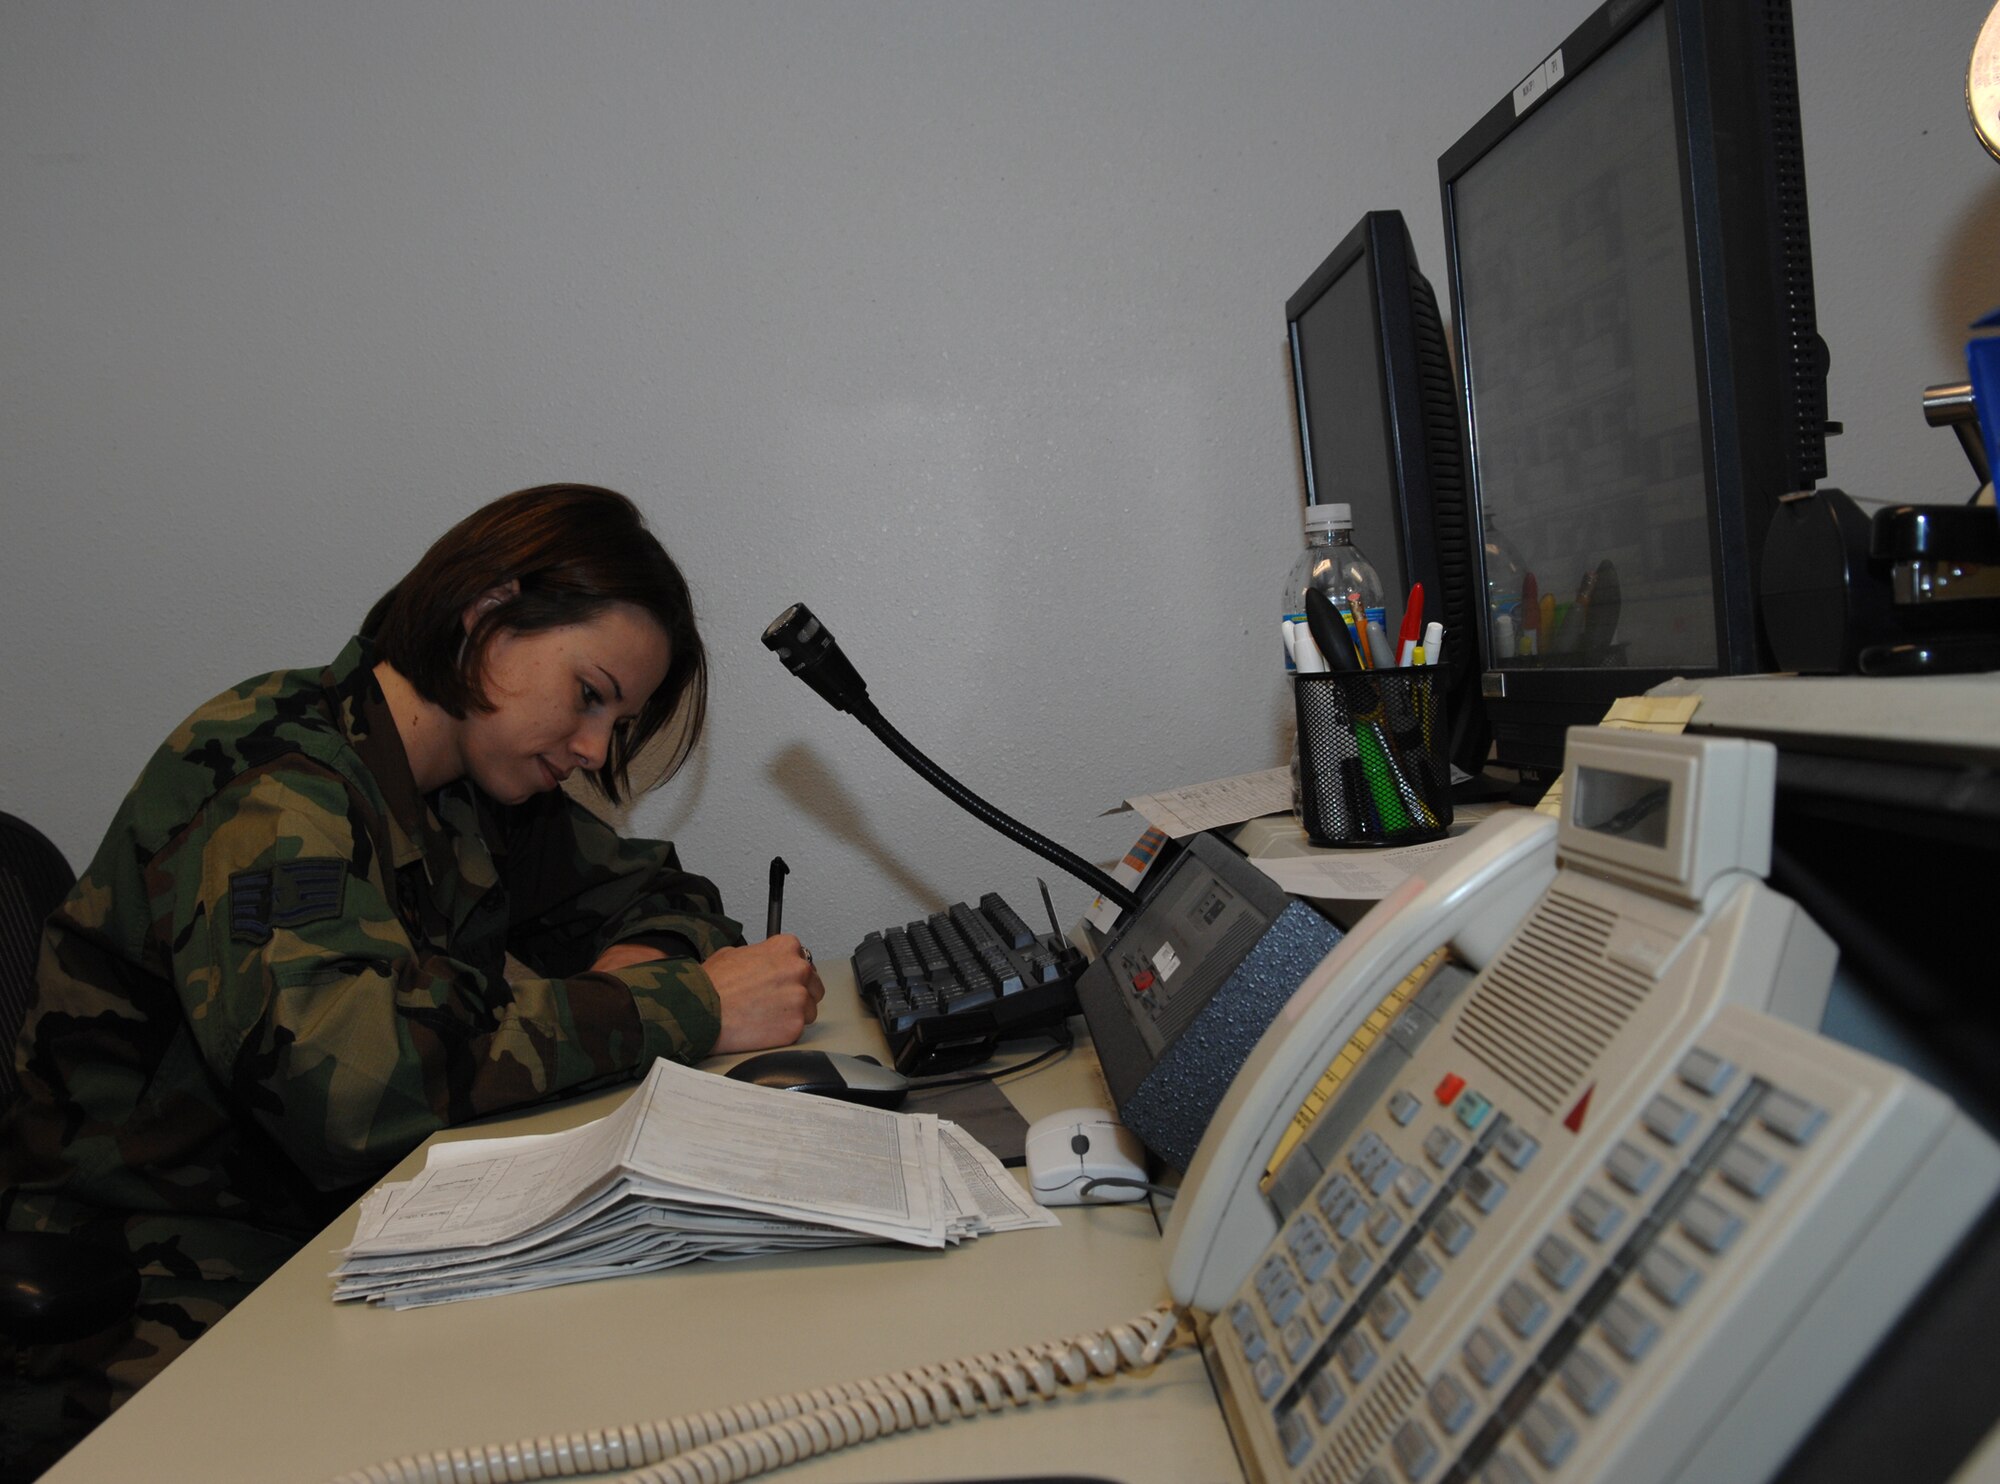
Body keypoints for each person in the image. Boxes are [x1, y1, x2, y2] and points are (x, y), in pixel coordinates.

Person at [0, 484, 823, 1477]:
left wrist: (627, 981)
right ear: (485, 619)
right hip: (159, 1282)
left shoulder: (475, 787)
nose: (596, 748)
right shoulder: (277, 787)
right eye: (591, 693)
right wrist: (681, 1005)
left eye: (621, 718)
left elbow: (666, 895)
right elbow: (352, 1092)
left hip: (344, 1232)